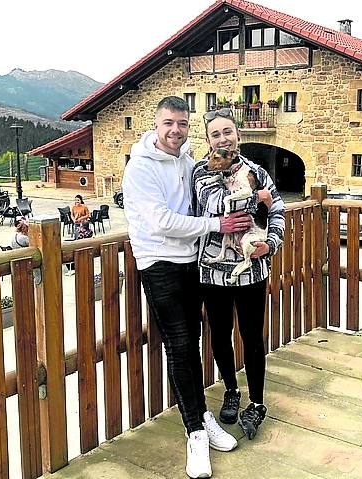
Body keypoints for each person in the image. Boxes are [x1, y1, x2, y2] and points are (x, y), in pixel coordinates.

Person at [121, 96, 252, 479]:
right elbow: (160, 221)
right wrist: (217, 226)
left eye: (182, 123)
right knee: (179, 345)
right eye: (168, 123)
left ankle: (201, 416)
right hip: (158, 262)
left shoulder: (187, 158)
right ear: (156, 124)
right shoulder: (140, 168)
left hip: (188, 261)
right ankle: (194, 432)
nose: (175, 130)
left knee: (191, 343)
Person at [192, 108, 285, 440]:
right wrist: (254, 198)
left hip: (252, 268)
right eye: (215, 134)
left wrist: (270, 243)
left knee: (252, 335)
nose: (222, 139)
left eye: (227, 132)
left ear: (238, 135)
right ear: (207, 140)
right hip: (213, 272)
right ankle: (231, 389)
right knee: (219, 334)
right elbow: (212, 205)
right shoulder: (200, 174)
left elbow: (277, 211)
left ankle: (257, 402)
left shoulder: (258, 172)